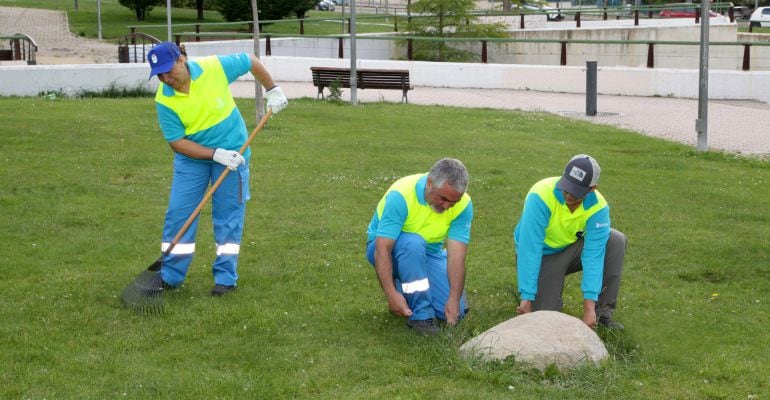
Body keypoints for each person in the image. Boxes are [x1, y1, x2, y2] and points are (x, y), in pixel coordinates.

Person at [146, 41, 288, 296]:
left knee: (228, 217)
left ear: (181, 60)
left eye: (169, 71)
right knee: (179, 214)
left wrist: (273, 89)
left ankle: (225, 278)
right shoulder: (164, 99)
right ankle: (170, 276)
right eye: (160, 75)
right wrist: (214, 154)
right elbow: (177, 143)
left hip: (235, 153)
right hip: (192, 160)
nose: (166, 79)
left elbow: (250, 60)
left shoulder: (214, 67)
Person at [513, 154, 627, 330]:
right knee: (545, 316)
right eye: (567, 187)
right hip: (544, 254)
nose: (569, 195)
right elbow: (530, 247)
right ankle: (536, 295)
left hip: (572, 249)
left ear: (592, 189)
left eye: (577, 191)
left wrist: (589, 307)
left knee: (615, 240)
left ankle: (602, 314)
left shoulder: (598, 207)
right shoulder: (540, 195)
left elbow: (594, 255)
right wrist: (527, 295)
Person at [365, 158, 473, 335]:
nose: (447, 206)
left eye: (453, 202)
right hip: (386, 249)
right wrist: (390, 294)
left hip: (429, 253)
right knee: (413, 244)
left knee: (456, 312)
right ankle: (421, 317)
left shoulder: (464, 205)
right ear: (429, 183)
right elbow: (382, 249)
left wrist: (454, 298)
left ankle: (405, 287)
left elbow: (456, 256)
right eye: (443, 198)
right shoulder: (401, 195)